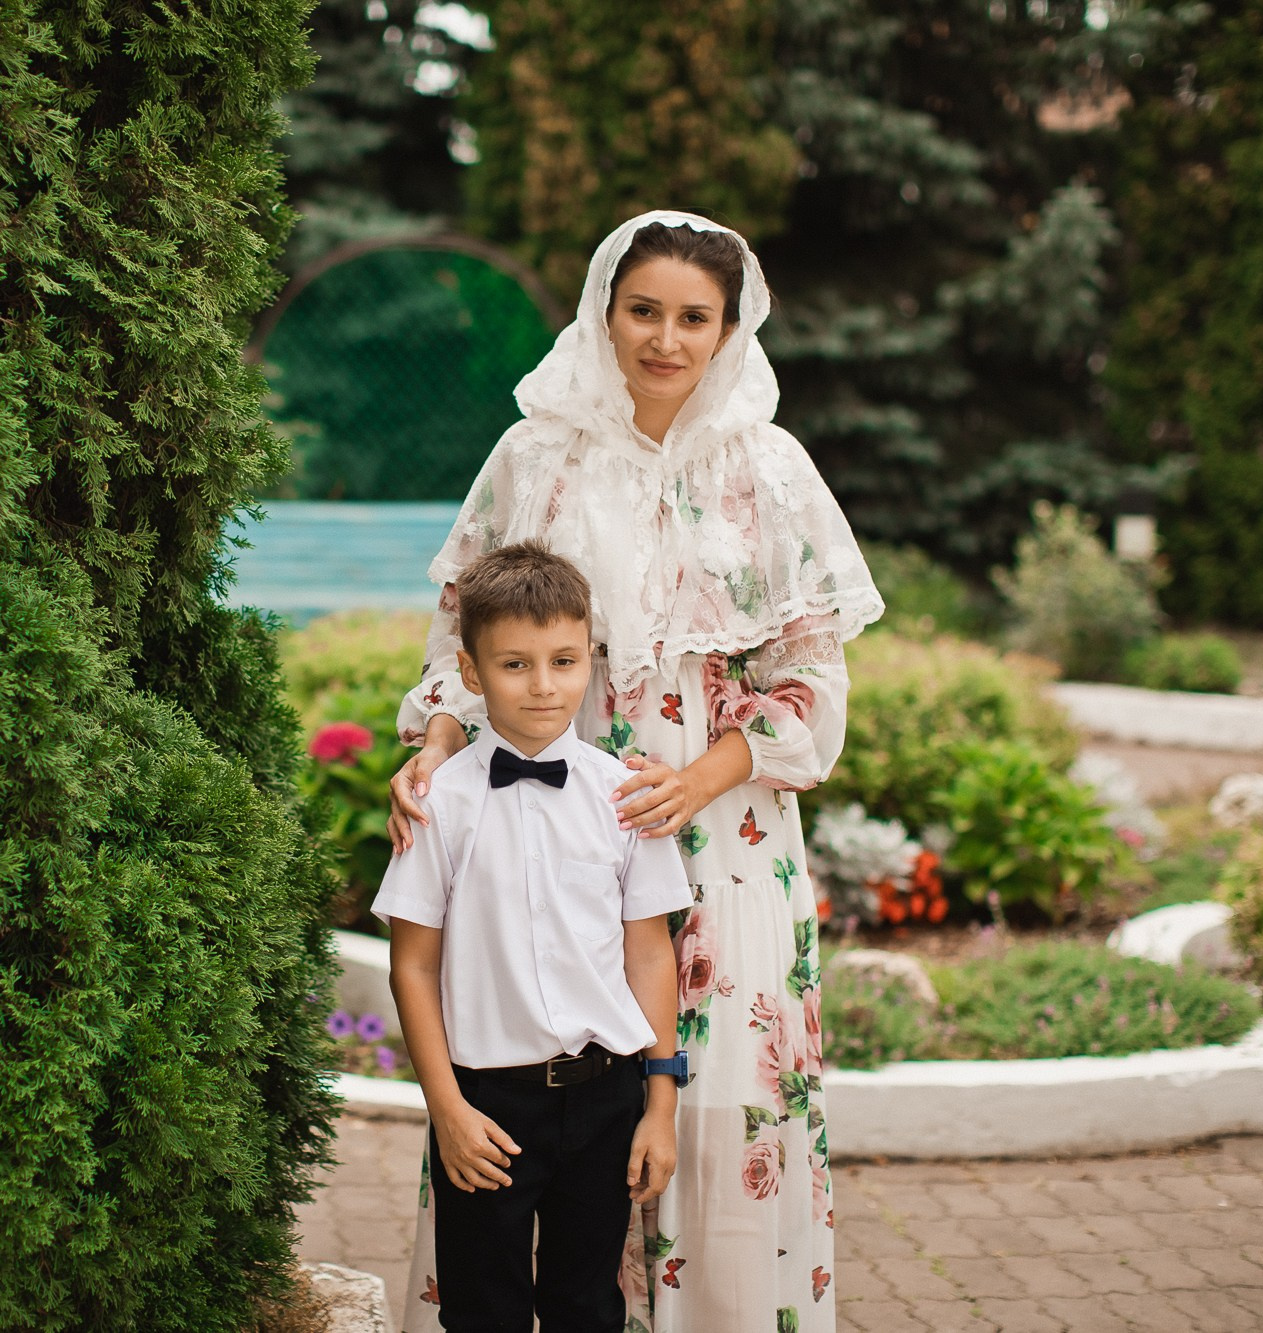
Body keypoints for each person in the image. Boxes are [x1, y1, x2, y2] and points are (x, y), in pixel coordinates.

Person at [389, 211, 884, 1333]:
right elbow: (463, 640)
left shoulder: (770, 469)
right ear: (603, 312)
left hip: (726, 831)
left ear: (729, 328)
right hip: (550, 813)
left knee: (714, 1101)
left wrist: (700, 778)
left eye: (693, 318)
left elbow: (813, 683)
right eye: (644, 311)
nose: (666, 339)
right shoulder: (534, 456)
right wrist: (433, 749)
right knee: (535, 1082)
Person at [374, 540, 695, 1333]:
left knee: (589, 1307)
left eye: (564, 661)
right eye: (515, 664)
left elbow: (649, 953)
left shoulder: (625, 796)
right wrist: (447, 1109)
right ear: (471, 670)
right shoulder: (437, 803)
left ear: (590, 661)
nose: (544, 685)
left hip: (607, 1093)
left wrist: (659, 1104)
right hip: (487, 1104)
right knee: (483, 1311)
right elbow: (413, 968)